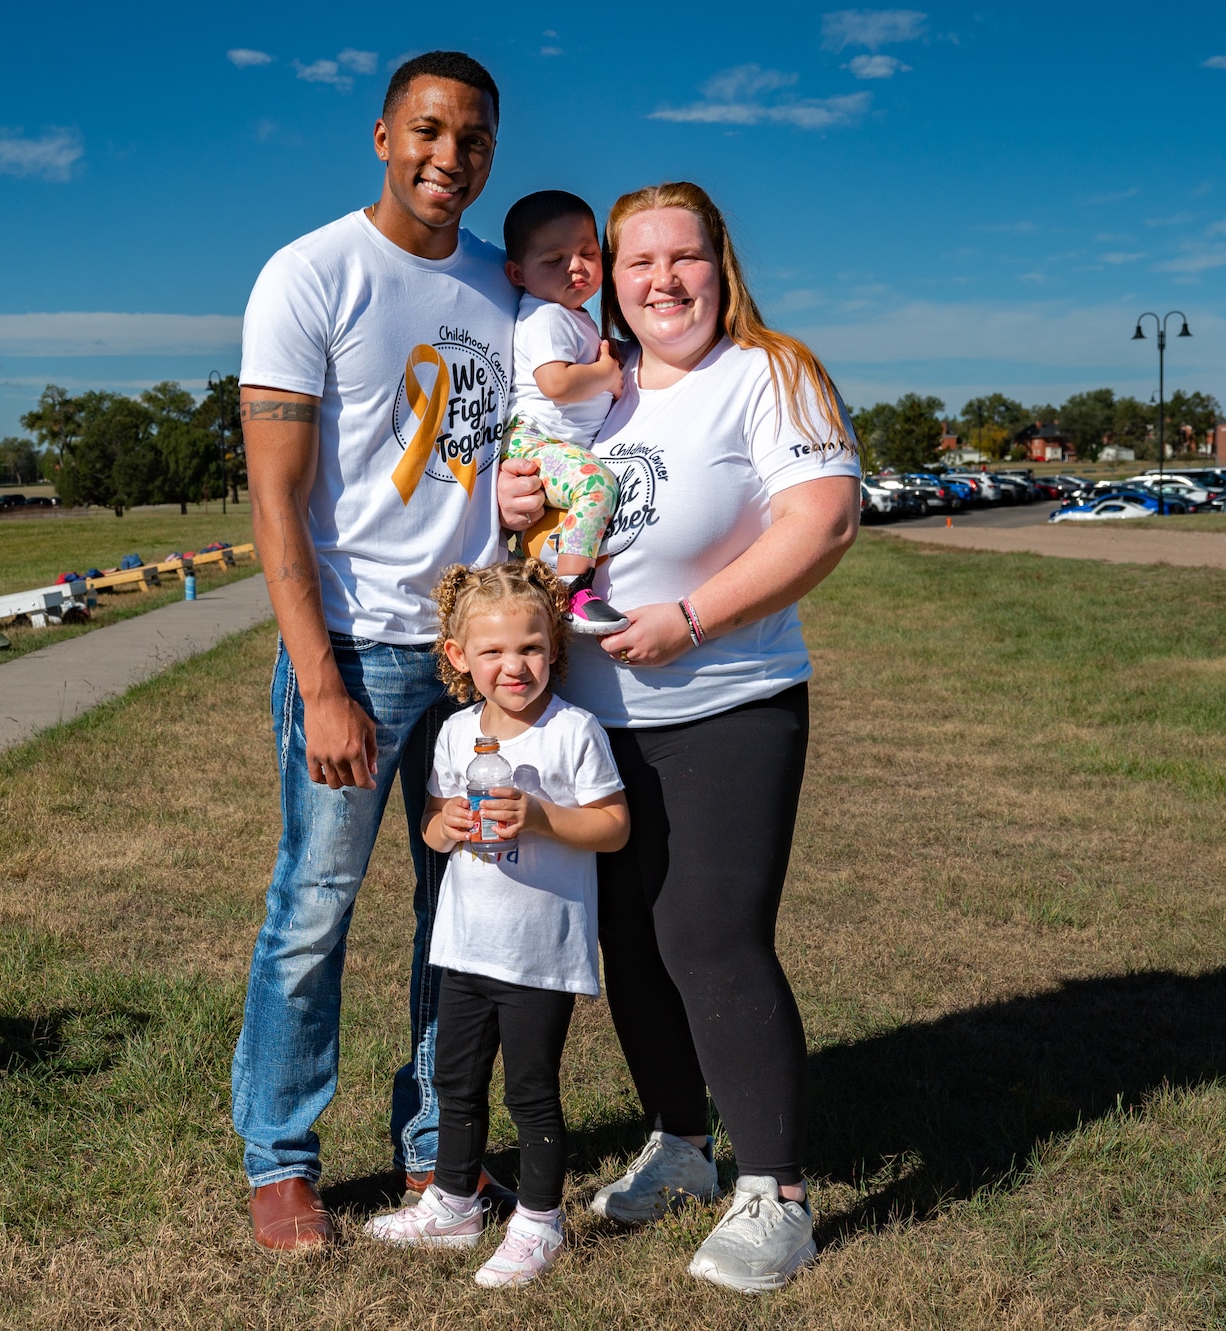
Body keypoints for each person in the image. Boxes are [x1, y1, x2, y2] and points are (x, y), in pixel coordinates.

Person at [230, 50, 548, 1251]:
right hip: (357, 648)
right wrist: (319, 681)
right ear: (381, 135)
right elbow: (275, 496)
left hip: (472, 658)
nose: (447, 157)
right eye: (427, 130)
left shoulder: (502, 287)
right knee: (314, 905)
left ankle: (434, 1147)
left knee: (456, 905)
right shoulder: (309, 273)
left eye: (473, 139)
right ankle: (280, 1159)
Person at [555, 182, 860, 1293]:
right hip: (596, 721)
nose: (663, 281)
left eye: (682, 257)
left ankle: (776, 1192)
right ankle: (680, 1142)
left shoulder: (769, 372)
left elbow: (823, 519)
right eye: (638, 262)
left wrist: (689, 619)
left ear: (720, 263)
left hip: (728, 700)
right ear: (611, 279)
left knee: (708, 933)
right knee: (630, 943)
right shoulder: (601, 388)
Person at [364, 560, 628, 1286]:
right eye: (494, 651)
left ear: (555, 647)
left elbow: (613, 826)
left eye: (531, 647)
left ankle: (540, 1221)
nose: (515, 666)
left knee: (530, 1091)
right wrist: (445, 824)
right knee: (455, 1080)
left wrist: (540, 817)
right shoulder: (455, 734)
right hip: (465, 946)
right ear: (458, 656)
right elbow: (430, 824)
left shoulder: (572, 731)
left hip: (539, 952)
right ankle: (454, 1203)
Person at [499, 190, 628, 636]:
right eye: (554, 260)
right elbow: (555, 382)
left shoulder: (572, 316)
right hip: (535, 441)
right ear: (518, 273)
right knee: (596, 485)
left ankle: (536, 580)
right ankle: (572, 589)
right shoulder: (548, 317)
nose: (576, 266)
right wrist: (606, 375)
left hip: (547, 443)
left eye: (587, 253)